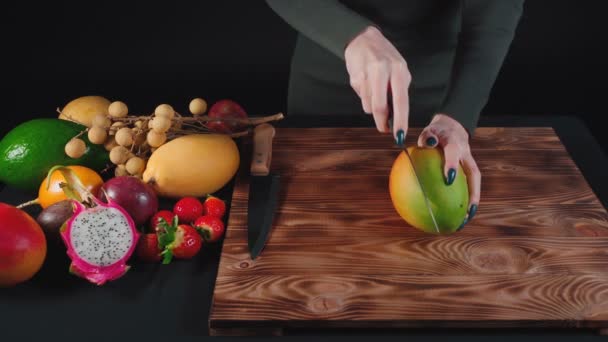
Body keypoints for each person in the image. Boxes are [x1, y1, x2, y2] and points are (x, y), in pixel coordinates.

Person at [266, 0, 524, 227]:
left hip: (438, 97)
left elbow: (496, 11)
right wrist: (349, 33)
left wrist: (458, 114)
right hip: (321, 93)